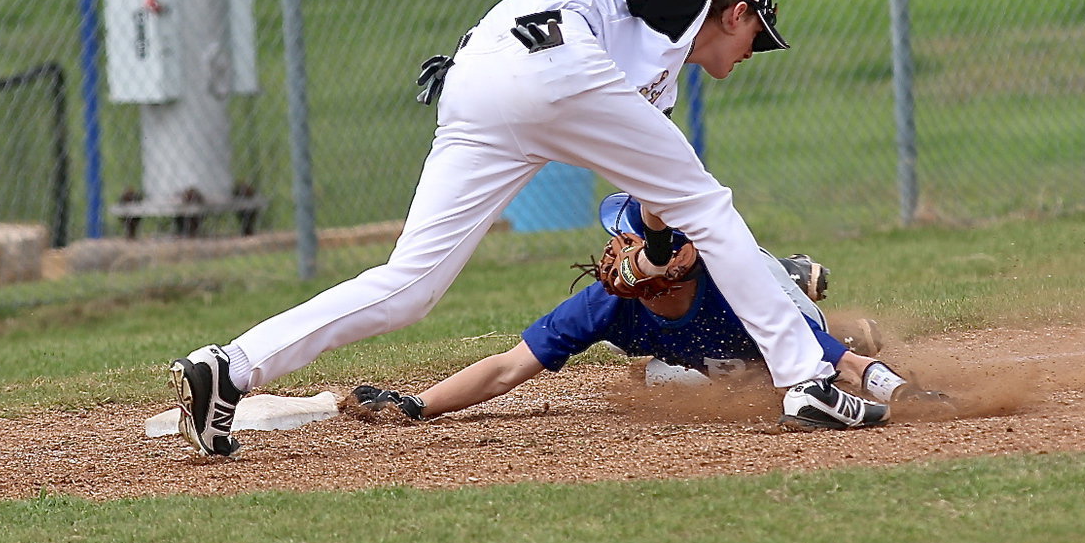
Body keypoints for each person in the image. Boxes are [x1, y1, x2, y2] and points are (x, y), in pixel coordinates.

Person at [171, 0, 881, 458]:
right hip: (554, 64)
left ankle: (230, 366)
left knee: (409, 283)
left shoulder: (652, 78)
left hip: (479, 84)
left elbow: (658, 195)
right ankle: (805, 380)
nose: (754, 49)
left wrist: (659, 249)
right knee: (713, 206)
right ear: (737, 12)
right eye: (759, 33)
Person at [351, 194, 936, 431]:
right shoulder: (607, 303)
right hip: (713, 352)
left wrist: (905, 394)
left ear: (678, 254)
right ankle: (811, 294)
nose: (616, 252)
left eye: (632, 240)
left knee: (804, 349)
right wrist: (416, 403)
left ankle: (788, 274)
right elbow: (509, 368)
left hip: (752, 303)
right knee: (661, 378)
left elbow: (851, 369)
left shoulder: (737, 289)